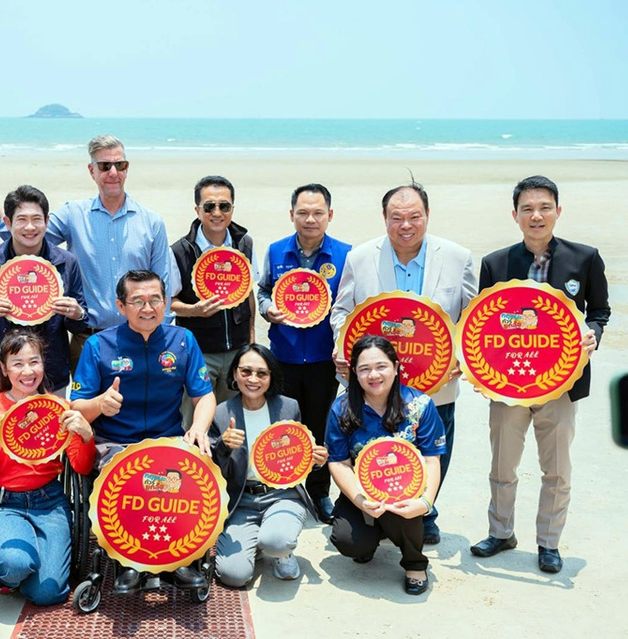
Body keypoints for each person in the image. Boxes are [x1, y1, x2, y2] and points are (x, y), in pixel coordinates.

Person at [469, 176, 610, 574]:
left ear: (557, 211)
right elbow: (483, 324)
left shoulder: (585, 258)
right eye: (527, 209)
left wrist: (592, 335)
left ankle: (549, 543)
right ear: (515, 215)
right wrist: (480, 372)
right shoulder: (495, 263)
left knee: (557, 468)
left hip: (561, 384)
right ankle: (501, 533)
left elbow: (599, 311)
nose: (536, 216)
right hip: (508, 384)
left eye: (544, 207)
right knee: (503, 464)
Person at [330, 181, 477, 544]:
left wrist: (463, 358)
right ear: (384, 218)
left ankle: (425, 513)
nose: (406, 225)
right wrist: (342, 344)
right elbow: (342, 311)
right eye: (397, 217)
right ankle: (375, 512)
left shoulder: (458, 257)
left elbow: (473, 320)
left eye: (414, 216)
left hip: (436, 382)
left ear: (428, 215)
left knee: (434, 449)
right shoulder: (360, 258)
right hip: (374, 382)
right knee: (372, 448)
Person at [0, 135, 173, 369]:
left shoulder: (152, 222)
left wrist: (162, 337)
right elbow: (24, 237)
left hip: (142, 337)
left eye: (120, 165)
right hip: (88, 339)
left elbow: (163, 284)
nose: (113, 172)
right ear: (92, 170)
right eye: (105, 166)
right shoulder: (73, 214)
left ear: (127, 168)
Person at [70, 269, 215, 592]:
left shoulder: (182, 340)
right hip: (115, 443)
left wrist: (199, 428)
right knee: (142, 481)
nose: (148, 308)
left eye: (155, 300)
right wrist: (100, 404)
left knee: (187, 475)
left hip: (169, 440)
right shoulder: (98, 345)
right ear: (121, 306)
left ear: (166, 303)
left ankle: (179, 558)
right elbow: (77, 406)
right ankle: (132, 561)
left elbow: (204, 394)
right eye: (138, 301)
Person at [0, 332, 95, 604]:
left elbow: (81, 466)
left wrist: (86, 436)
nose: (28, 371)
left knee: (49, 593)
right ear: (4, 368)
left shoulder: (58, 407)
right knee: (15, 565)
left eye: (34, 362)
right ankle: (7, 574)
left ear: (43, 364)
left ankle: (29, 565)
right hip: (3, 503)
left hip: (50, 502)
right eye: (18, 363)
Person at [257, 183, 352, 523]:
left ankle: (320, 491)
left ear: (330, 215)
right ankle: (283, 489)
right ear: (292, 215)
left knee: (321, 424)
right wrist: (267, 309)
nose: (310, 219)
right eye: (303, 213)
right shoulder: (275, 251)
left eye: (317, 213)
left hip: (325, 359)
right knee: (284, 426)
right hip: (283, 357)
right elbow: (262, 291)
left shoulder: (346, 254)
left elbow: (351, 304)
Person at [325, 335, 445, 595]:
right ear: (354, 373)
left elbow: (431, 458)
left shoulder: (420, 405)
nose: (373, 375)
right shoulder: (342, 408)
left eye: (381, 366)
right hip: (363, 489)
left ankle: (415, 563)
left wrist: (425, 502)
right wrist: (360, 501)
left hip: (405, 490)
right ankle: (373, 535)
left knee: (405, 511)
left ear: (396, 367)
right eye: (364, 369)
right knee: (348, 542)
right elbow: (339, 462)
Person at [210, 344, 328, 587]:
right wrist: (223, 446)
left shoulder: (288, 407)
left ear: (271, 376)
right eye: (246, 371)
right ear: (234, 373)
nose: (253, 379)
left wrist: (316, 461)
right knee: (234, 576)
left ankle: (281, 552)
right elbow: (212, 471)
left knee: (277, 541)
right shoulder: (221, 413)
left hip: (281, 495)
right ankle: (256, 542)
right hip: (241, 501)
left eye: (262, 373)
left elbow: (296, 459)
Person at [0, 182, 88, 397]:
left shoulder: (67, 262)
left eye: (37, 219)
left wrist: (77, 313)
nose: (30, 227)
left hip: (50, 373)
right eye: (22, 220)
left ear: (47, 221)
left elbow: (80, 324)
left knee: (50, 420)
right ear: (8, 223)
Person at [171, 175, 257, 428]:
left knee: (233, 424)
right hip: (199, 351)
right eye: (209, 206)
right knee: (193, 420)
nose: (217, 213)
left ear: (232, 208)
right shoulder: (180, 250)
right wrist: (194, 310)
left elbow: (249, 294)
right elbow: (169, 301)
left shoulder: (244, 243)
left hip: (237, 350)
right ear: (197, 210)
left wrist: (251, 342)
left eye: (224, 206)